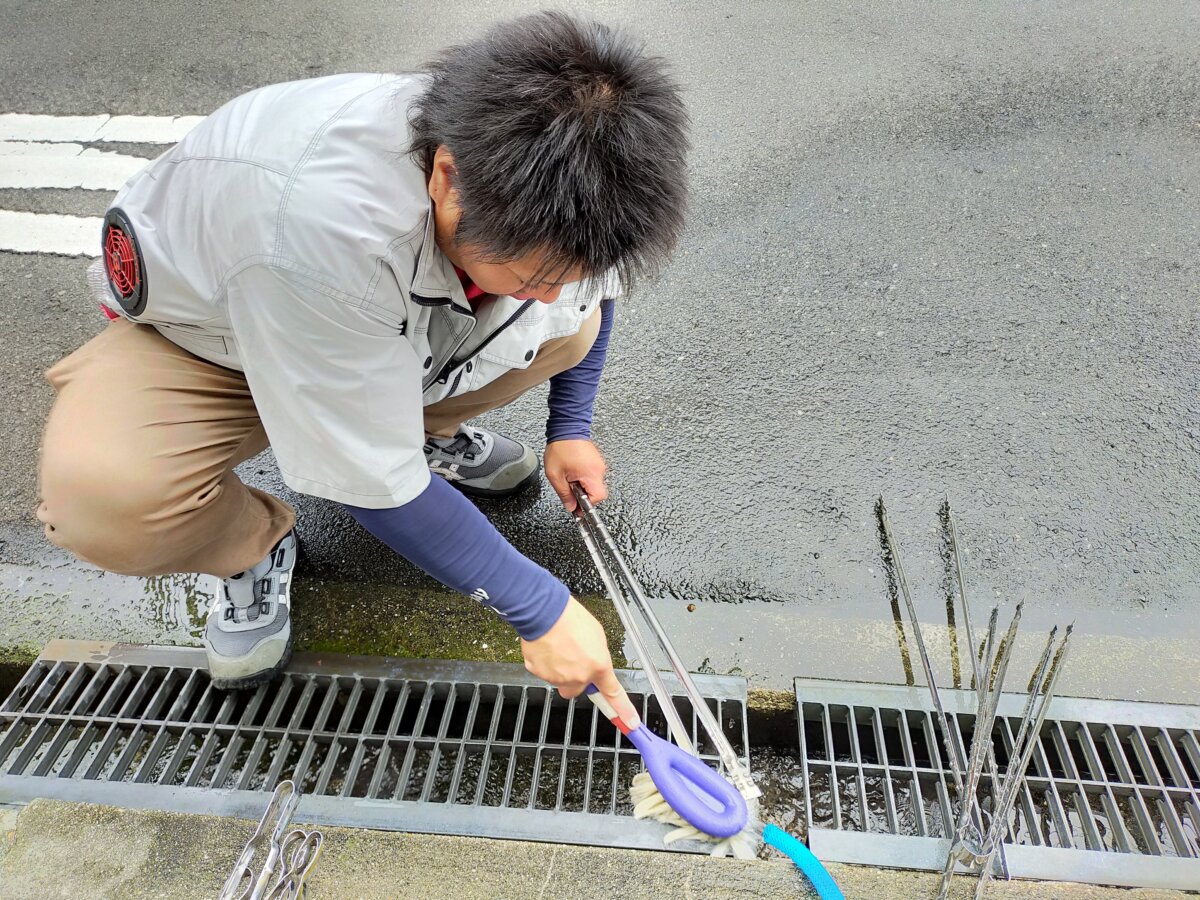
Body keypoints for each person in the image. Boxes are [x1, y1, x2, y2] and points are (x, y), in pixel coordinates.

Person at [35, 12, 688, 724]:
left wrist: (572, 429)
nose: (553, 293)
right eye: (536, 273)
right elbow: (368, 483)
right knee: (108, 501)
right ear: (448, 177)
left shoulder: (533, 176)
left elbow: (589, 292)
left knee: (570, 329)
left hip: (366, 327)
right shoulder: (322, 224)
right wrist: (539, 610)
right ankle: (251, 545)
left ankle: (418, 437)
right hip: (214, 339)